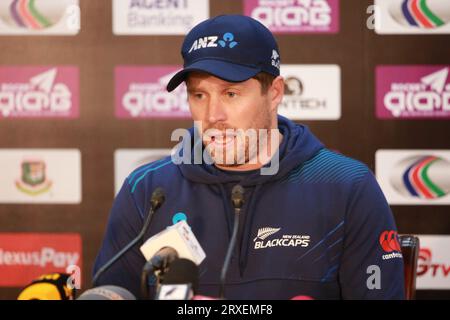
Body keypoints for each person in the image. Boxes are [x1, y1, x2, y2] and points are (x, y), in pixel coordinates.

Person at [93, 14, 405, 299]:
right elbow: (111, 291)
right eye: (199, 95)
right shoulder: (147, 191)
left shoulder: (346, 186)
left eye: (231, 94)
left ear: (275, 93)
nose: (213, 115)